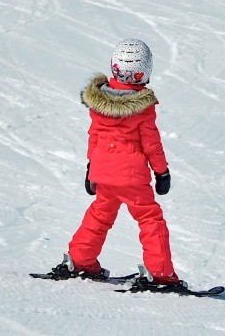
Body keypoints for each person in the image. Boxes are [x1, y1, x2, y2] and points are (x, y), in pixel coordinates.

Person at [47, 39, 181, 288]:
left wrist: (91, 169)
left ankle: (80, 260)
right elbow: (151, 144)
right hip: (131, 176)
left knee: (100, 214)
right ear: (145, 71)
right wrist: (162, 172)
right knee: (150, 218)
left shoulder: (99, 102)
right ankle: (160, 273)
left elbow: (94, 136)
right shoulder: (142, 106)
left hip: (103, 172)